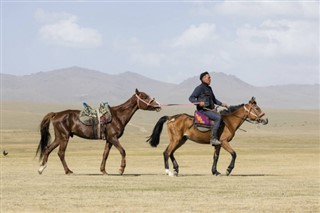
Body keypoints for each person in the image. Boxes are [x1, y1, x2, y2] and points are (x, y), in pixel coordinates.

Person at [189, 71, 228, 146]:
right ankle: (213, 139)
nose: (210, 79)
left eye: (210, 77)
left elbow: (214, 100)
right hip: (203, 111)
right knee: (218, 118)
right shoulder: (199, 88)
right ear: (203, 78)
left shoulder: (209, 88)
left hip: (211, 110)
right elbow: (191, 98)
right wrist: (198, 102)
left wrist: (222, 104)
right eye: (208, 77)